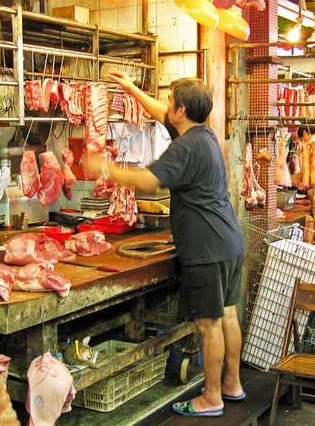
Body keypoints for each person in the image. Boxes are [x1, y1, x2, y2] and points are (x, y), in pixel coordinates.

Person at [85, 71, 245, 417]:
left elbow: (148, 181)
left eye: (172, 101)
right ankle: (232, 383)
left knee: (208, 324)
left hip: (206, 248)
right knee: (228, 314)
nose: (167, 106)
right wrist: (130, 89)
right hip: (228, 241)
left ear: (182, 110)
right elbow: (161, 113)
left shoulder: (186, 146)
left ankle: (212, 398)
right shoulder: (202, 133)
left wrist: (104, 168)